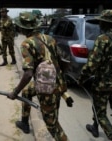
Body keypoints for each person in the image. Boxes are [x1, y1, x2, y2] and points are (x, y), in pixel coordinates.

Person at [7, 11, 71, 141]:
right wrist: (58, 77)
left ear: (22, 27)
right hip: (57, 83)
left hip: (47, 89)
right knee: (27, 92)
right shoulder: (50, 38)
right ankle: (24, 122)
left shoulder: (26, 44)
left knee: (52, 126)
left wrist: (14, 92)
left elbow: (28, 73)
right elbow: (64, 61)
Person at [78, 9, 112, 141]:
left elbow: (92, 64)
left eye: (100, 22)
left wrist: (81, 78)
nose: (99, 24)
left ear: (104, 23)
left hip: (102, 83)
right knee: (99, 105)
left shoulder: (102, 39)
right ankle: (94, 126)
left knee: (101, 113)